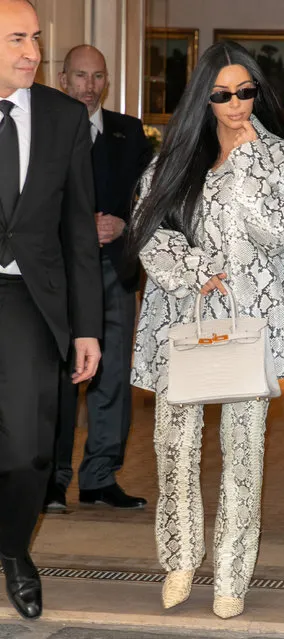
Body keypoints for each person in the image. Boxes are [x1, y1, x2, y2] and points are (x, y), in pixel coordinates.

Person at [128, 41, 284, 619]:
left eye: (246, 91)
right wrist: (191, 271)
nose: (236, 104)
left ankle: (232, 574)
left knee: (243, 451)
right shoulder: (174, 157)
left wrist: (249, 163)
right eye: (223, 94)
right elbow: (145, 226)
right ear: (203, 99)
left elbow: (280, 237)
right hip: (182, 320)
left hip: (248, 324)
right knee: (174, 447)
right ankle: (181, 559)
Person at [0, 0, 102, 621]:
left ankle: (14, 550)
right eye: (17, 38)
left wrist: (87, 326)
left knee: (28, 449)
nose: (33, 52)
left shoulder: (64, 117)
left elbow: (78, 232)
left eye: (36, 39)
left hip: (29, 300)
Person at [44, 45, 152, 512]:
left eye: (98, 77)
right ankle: (52, 479)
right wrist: (76, 224)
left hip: (114, 268)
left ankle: (100, 478)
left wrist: (125, 224)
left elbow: (152, 197)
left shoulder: (131, 133)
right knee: (61, 375)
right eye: (81, 76)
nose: (89, 86)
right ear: (64, 79)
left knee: (112, 374)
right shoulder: (44, 129)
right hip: (59, 273)